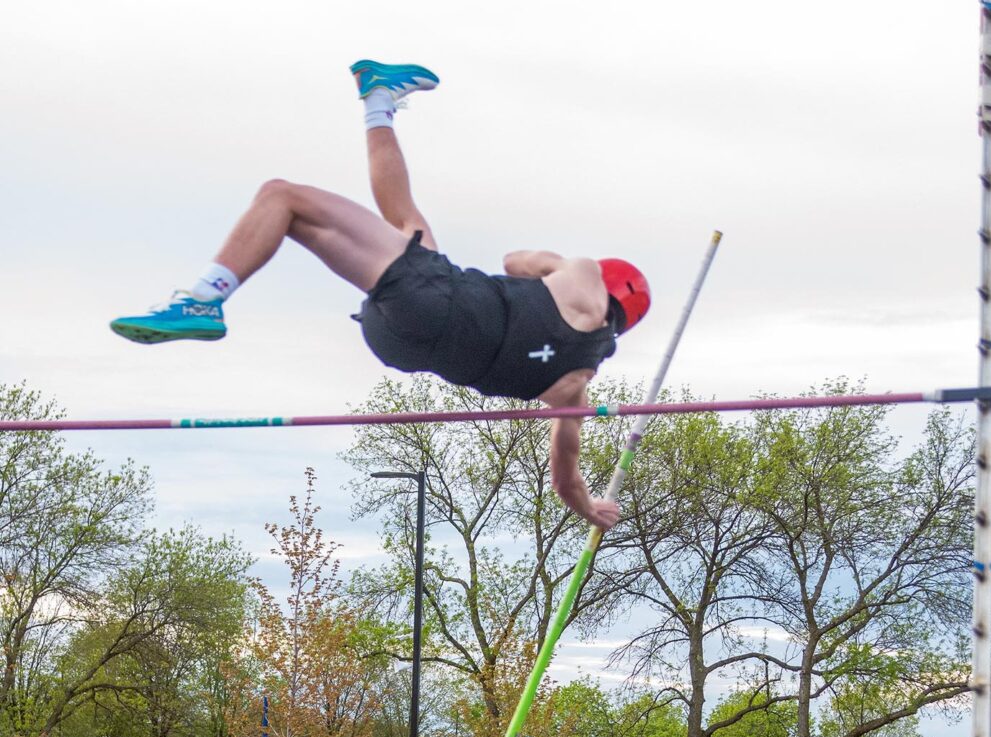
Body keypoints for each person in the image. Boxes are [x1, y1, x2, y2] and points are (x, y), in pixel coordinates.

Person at [109, 60, 651, 530]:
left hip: (434, 302)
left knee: (283, 197)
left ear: (607, 281)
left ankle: (204, 298)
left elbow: (513, 261)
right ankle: (379, 99)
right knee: (408, 226)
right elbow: (565, 479)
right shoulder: (573, 394)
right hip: (407, 345)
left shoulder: (580, 274)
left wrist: (547, 277)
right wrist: (592, 510)